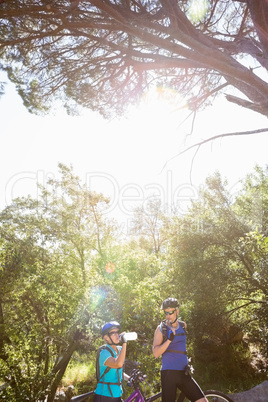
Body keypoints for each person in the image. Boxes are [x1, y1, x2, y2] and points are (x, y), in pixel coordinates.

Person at [153, 298, 208, 402]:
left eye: (170, 312)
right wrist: (169, 340)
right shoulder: (161, 329)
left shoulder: (183, 325)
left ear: (177, 311)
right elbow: (155, 353)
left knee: (202, 400)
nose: (168, 315)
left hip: (183, 372)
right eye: (166, 313)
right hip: (169, 373)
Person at [94, 321, 129, 402]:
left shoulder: (119, 350)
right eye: (113, 333)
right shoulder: (104, 353)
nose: (117, 335)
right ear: (106, 337)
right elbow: (118, 364)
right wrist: (124, 343)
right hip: (104, 396)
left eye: (118, 332)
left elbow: (117, 371)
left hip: (116, 395)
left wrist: (130, 378)